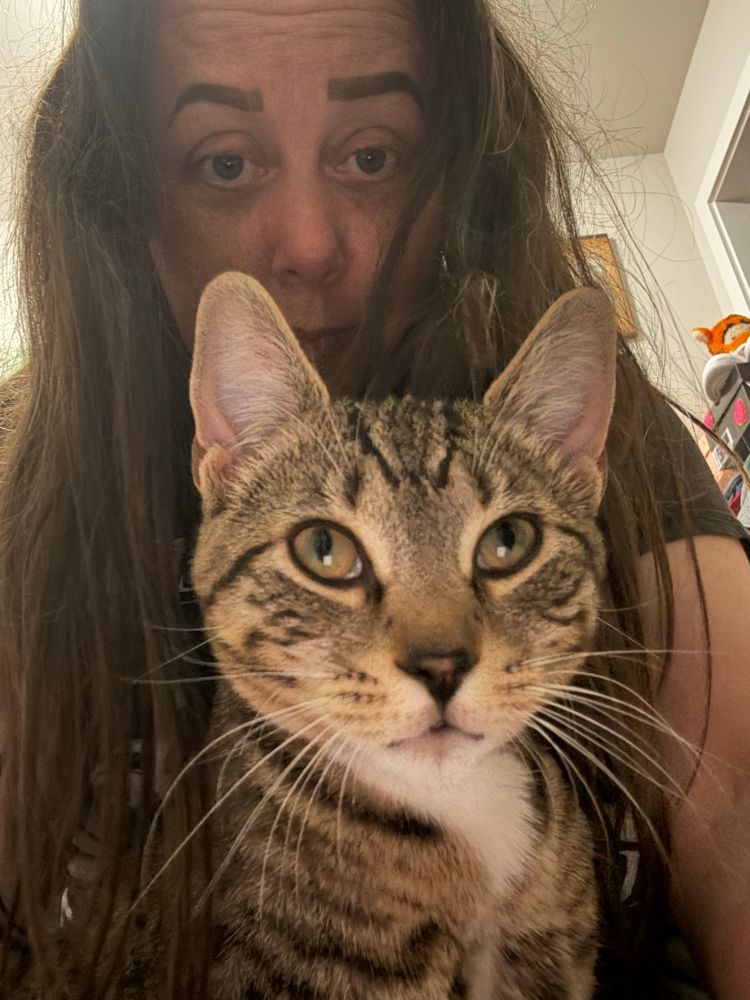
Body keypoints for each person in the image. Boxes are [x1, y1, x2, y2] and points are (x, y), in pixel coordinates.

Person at [0, 1, 748, 998]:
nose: (309, 244)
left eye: (371, 155)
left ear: (454, 173)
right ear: (124, 196)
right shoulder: (20, 474)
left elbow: (732, 792)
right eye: (225, 160)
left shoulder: (561, 421)